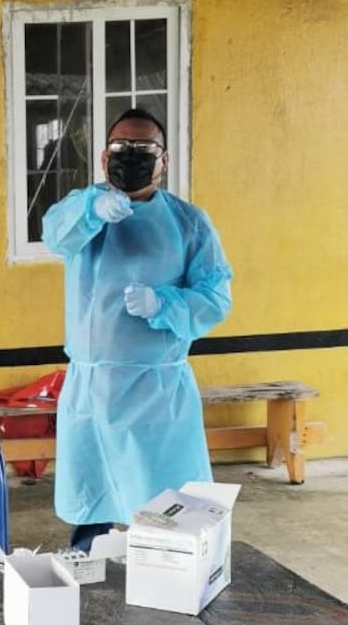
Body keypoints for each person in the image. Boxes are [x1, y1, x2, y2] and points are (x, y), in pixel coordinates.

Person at [41, 108, 233, 552]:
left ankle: (167, 588)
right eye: (120, 148)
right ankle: (90, 584)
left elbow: (216, 297)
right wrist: (93, 209)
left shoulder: (188, 223)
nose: (131, 156)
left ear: (163, 161)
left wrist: (164, 303)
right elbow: (56, 235)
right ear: (105, 159)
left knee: (164, 513)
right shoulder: (84, 209)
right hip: (91, 388)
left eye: (143, 149)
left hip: (155, 393)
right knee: (94, 509)